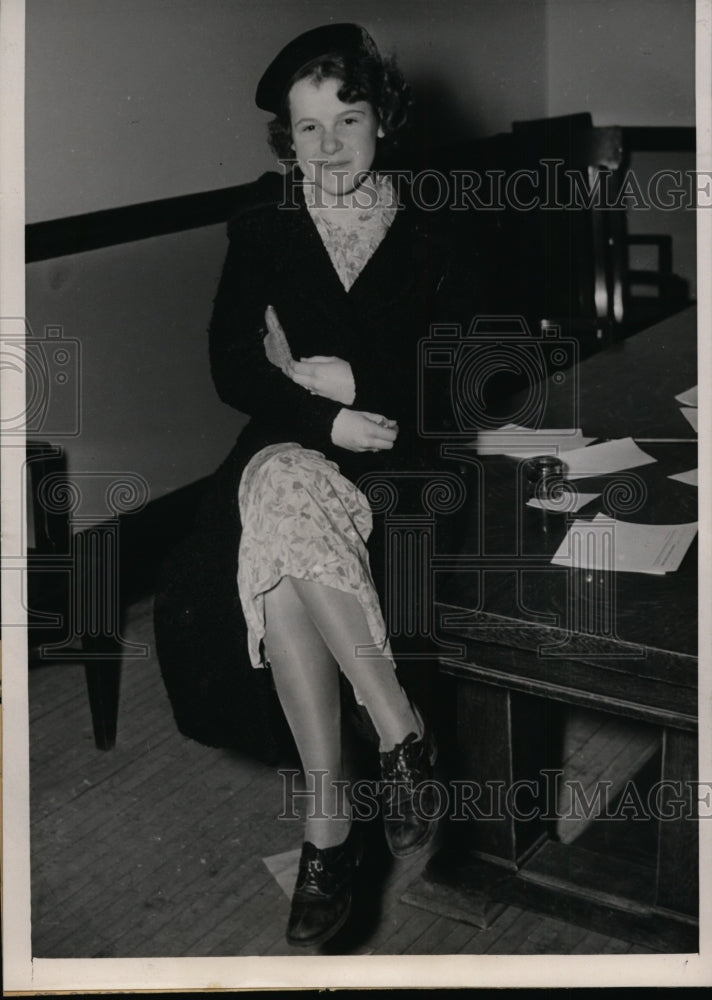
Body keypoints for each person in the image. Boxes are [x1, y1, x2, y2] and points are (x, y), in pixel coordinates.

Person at [155, 22, 470, 950]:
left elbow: (465, 373)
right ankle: (402, 736)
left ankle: (331, 830)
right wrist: (319, 414)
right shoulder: (264, 223)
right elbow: (228, 365)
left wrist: (360, 386)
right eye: (307, 130)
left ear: (384, 123)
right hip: (294, 445)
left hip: (402, 453)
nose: (329, 148)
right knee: (282, 497)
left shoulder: (433, 223)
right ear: (285, 143)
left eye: (349, 120)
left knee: (281, 555)